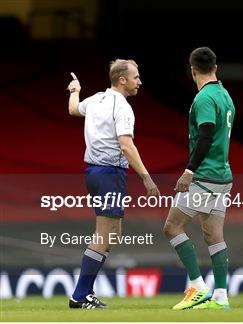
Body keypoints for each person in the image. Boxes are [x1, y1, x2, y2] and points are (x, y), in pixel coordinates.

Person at [66, 59, 160, 308]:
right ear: (122, 80)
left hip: (94, 173)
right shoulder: (123, 107)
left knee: (112, 235)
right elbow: (126, 145)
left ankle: (85, 292)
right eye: (136, 77)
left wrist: (75, 91)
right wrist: (146, 177)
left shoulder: (96, 99)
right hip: (109, 173)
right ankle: (79, 295)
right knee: (104, 235)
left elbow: (74, 110)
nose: (139, 81)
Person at [163, 47, 235, 310]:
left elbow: (206, 134)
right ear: (215, 67)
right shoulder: (225, 95)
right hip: (223, 175)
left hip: (204, 175)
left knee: (172, 227)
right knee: (214, 235)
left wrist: (189, 170)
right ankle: (222, 296)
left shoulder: (204, 98)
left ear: (192, 70)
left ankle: (197, 286)